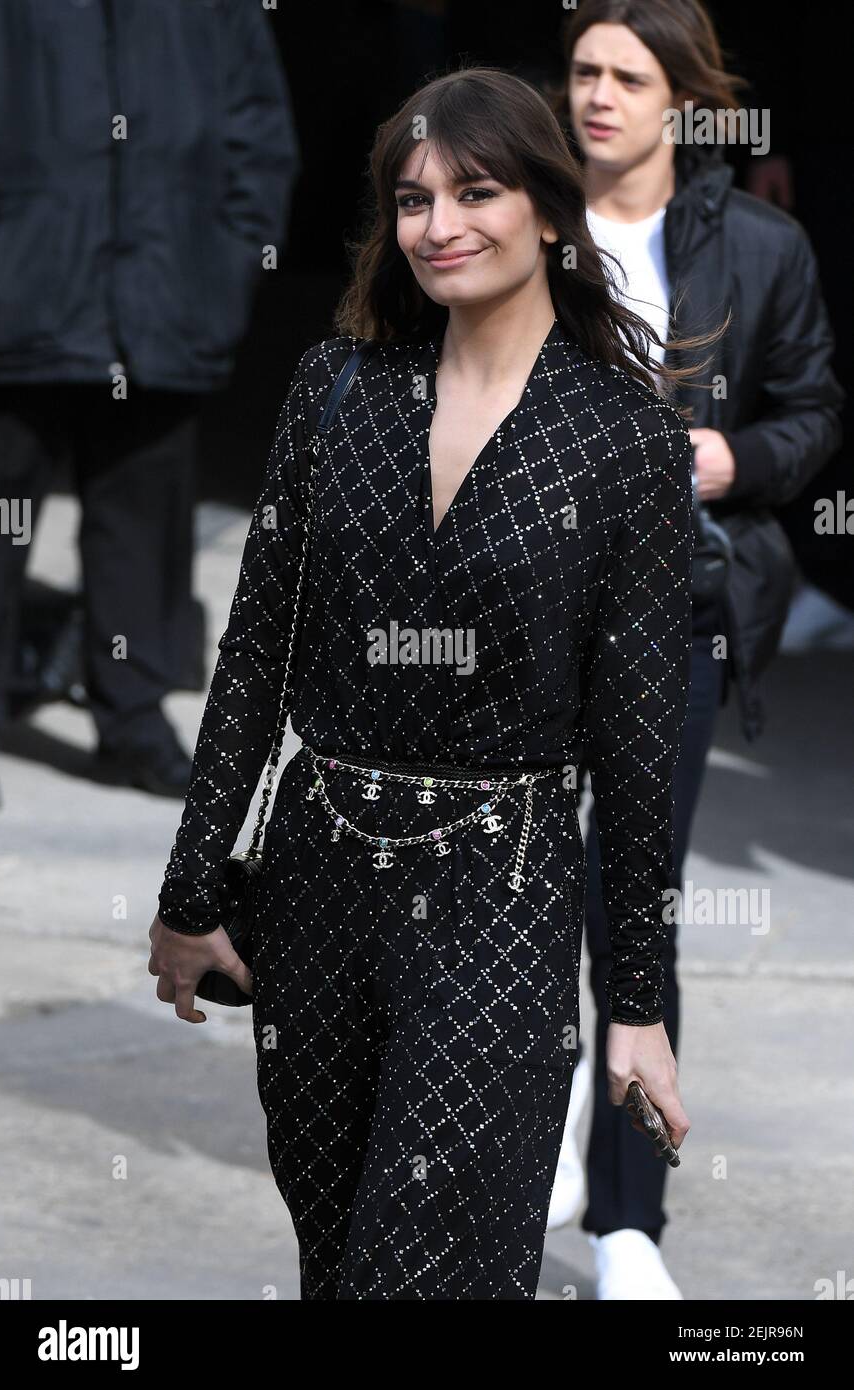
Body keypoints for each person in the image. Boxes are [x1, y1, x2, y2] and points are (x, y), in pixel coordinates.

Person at [149, 65, 715, 1301]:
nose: (439, 224)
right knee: (336, 1251)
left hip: (498, 901)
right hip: (315, 888)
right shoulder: (335, 391)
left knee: (424, 1271)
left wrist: (634, 1006)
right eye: (411, 199)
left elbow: (633, 754)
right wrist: (192, 892)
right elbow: (252, 654)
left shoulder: (622, 442)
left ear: (551, 213)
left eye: (476, 189)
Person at [545, 0, 844, 1299]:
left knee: (634, 912)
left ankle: (625, 1223)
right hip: (519, 610)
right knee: (505, 901)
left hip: (670, 610)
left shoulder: (758, 244)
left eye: (626, 76)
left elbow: (812, 409)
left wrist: (737, 457)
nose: (597, 96)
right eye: (580, 71)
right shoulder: (513, 216)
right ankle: (519, 1135)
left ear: (681, 99)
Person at [0, 0, 299, 809]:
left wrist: (226, 271)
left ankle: (132, 718)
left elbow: (258, 136)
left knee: (140, 525)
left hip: (163, 303)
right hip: (17, 305)